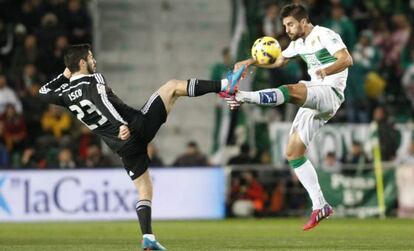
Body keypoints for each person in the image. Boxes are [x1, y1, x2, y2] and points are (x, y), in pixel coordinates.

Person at [38, 44, 246, 250]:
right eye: (91, 57)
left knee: (144, 190)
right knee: (172, 87)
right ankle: (225, 85)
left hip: (122, 147)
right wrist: (120, 124)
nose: (95, 61)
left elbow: (43, 92)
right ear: (82, 63)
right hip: (135, 127)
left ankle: (148, 237)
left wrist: (66, 74)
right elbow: (102, 102)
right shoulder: (94, 79)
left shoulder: (65, 95)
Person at [224, 4, 353, 230]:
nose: (287, 29)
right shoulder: (298, 44)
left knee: (290, 90)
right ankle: (320, 205)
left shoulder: (324, 35)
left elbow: (346, 59)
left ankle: (241, 96)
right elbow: (278, 60)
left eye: (291, 24)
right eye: (285, 25)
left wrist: (326, 71)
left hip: (330, 92)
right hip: (315, 95)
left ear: (304, 21)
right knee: (293, 152)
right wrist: (249, 61)